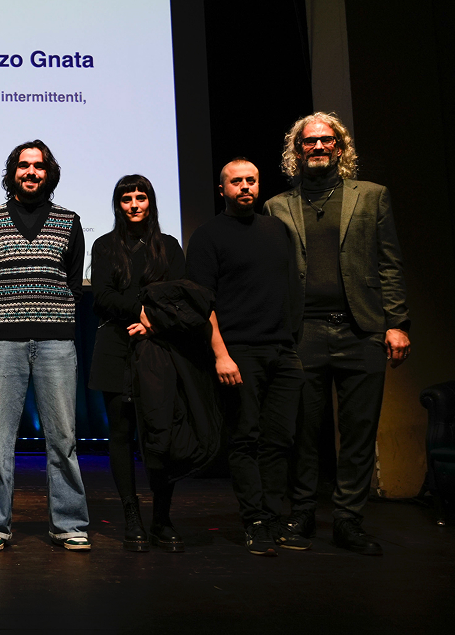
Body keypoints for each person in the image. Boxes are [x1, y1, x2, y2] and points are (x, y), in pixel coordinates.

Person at [265, 112, 410, 556]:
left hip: (361, 329)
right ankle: (303, 511)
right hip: (303, 332)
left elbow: (389, 263)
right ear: (297, 151)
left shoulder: (372, 197)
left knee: (359, 430)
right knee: (304, 430)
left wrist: (397, 323)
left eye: (327, 141)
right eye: (309, 142)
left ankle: (348, 519)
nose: (319, 148)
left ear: (340, 148)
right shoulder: (277, 207)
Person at [0, 141, 90, 552]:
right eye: (24, 166)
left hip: (57, 342)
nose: (31, 172)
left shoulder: (69, 222)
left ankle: (69, 523)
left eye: (38, 166)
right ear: (13, 172)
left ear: (48, 172)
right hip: (4, 342)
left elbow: (73, 286)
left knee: (63, 438)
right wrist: (10, 315)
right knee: (0, 440)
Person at [186, 158, 305, 556]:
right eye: (236, 182)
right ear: (222, 190)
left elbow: (289, 288)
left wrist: (292, 343)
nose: (245, 187)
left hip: (283, 351)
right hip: (239, 353)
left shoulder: (277, 230)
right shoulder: (208, 236)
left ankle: (274, 518)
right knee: (246, 439)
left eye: (251, 180)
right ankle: (254, 521)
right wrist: (222, 355)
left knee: (280, 440)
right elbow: (203, 304)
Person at [88, 175, 187, 552]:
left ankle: (162, 518)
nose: (133, 204)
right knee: (120, 434)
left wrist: (154, 322)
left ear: (150, 203)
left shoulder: (169, 247)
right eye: (126, 198)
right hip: (114, 347)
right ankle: (133, 517)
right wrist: (141, 310)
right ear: (118, 205)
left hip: (160, 348)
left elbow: (182, 296)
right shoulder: (104, 246)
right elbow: (101, 296)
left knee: (161, 437)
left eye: (140, 197)